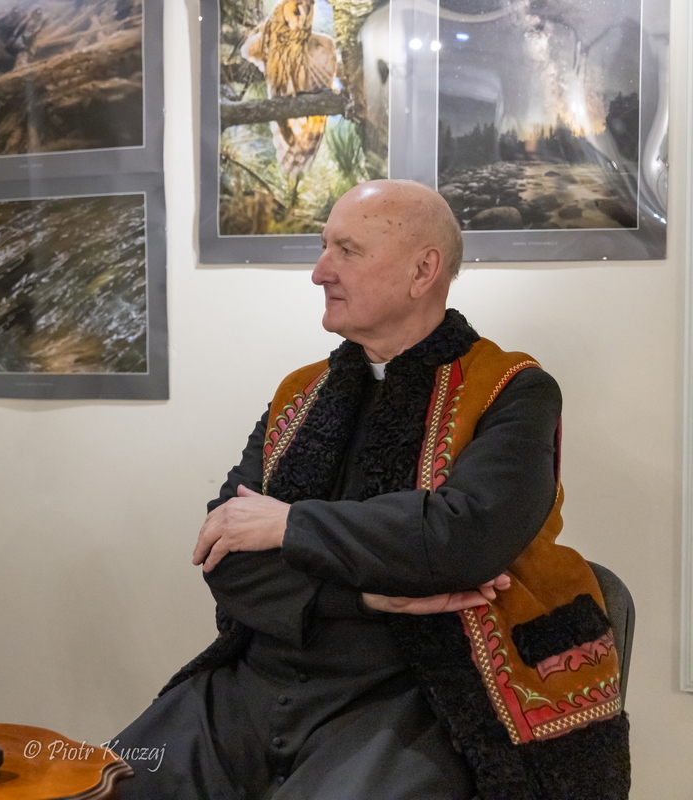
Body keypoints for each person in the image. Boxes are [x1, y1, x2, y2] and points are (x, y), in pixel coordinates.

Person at [113, 180, 628, 799]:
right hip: (253, 682)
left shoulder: (514, 389)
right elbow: (225, 554)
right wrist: (363, 598)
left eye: (347, 251)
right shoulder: (299, 393)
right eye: (323, 247)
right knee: (103, 783)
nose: (319, 272)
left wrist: (289, 525)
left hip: (417, 690)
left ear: (423, 271)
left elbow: (461, 540)